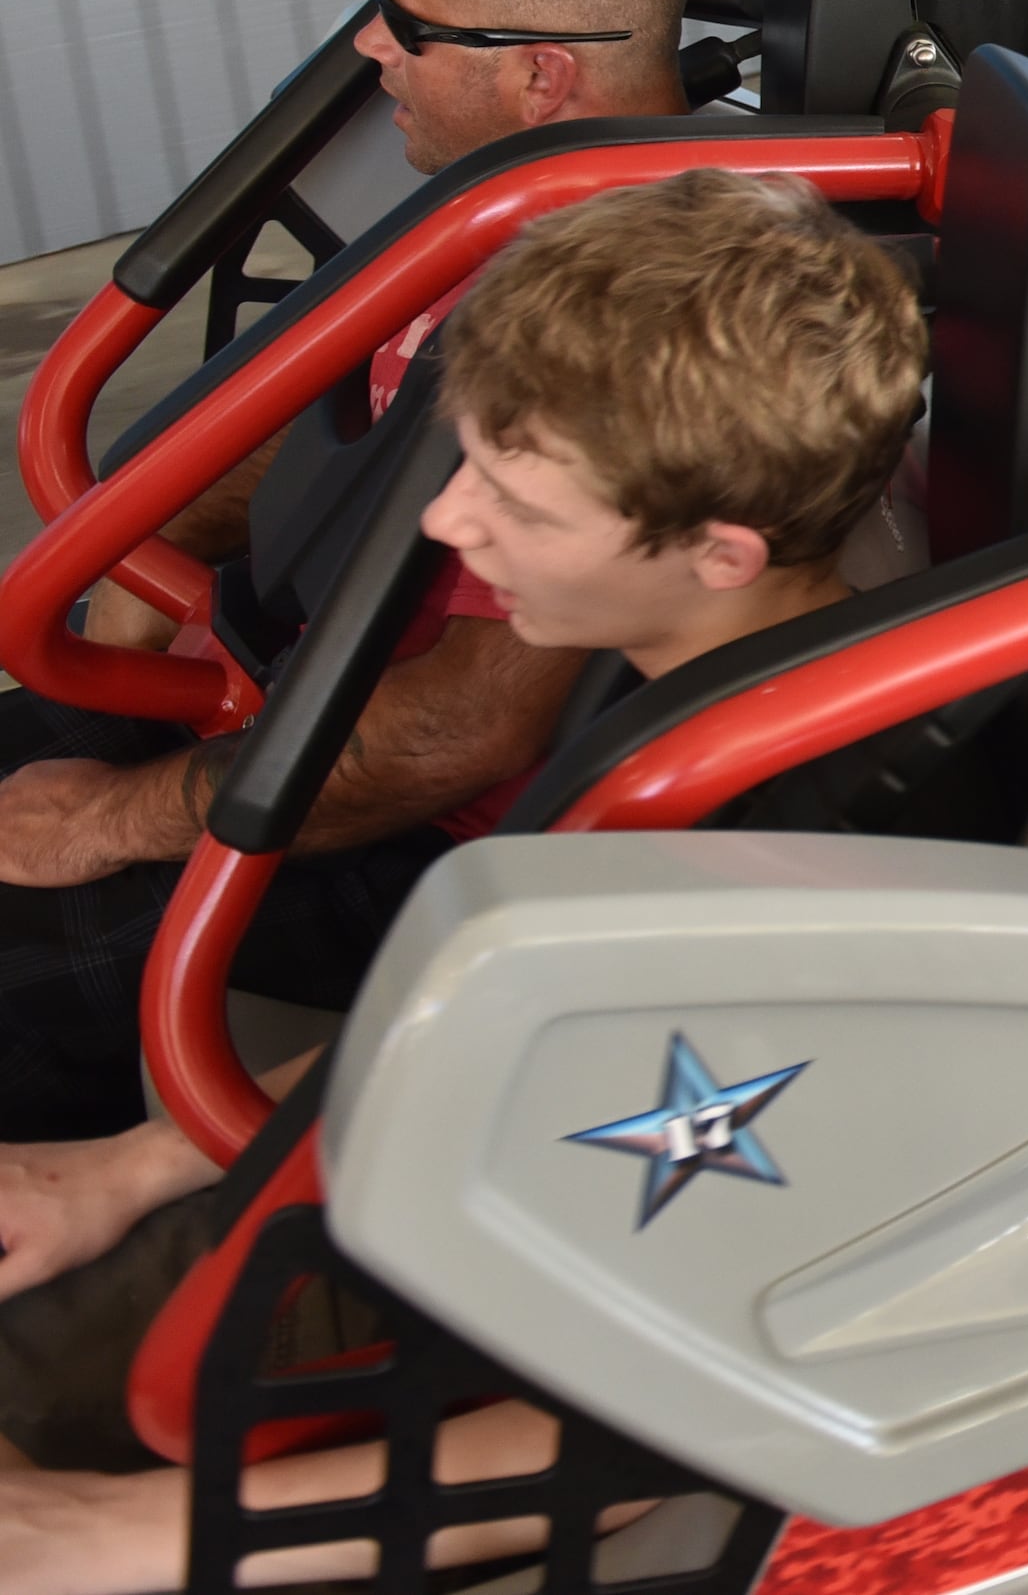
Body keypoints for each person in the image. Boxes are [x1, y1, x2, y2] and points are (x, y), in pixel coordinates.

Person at [0, 168, 928, 1592]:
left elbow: (731, 1380)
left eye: (514, 500)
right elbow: (518, 1015)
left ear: (717, 551)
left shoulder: (802, 872)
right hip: (450, 1186)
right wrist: (122, 1168)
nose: (448, 529)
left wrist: (117, 1533)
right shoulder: (690, 682)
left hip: (464, 1353)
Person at [0, 0, 694, 1143]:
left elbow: (468, 730)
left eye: (410, 25)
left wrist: (107, 818)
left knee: (21, 962)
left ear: (539, 73)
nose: (372, 45)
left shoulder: (614, 314)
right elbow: (345, 407)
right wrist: (147, 556)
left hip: (411, 826)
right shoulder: (504, 202)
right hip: (291, 686)